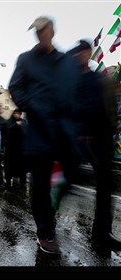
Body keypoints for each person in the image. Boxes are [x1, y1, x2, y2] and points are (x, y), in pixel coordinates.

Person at [8, 16, 82, 254]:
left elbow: (74, 91)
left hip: (64, 132)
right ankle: (46, 233)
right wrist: (32, 104)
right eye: (36, 31)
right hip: (38, 132)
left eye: (43, 30)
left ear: (52, 30)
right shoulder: (26, 59)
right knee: (40, 186)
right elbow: (15, 88)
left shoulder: (65, 61)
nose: (40, 34)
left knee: (68, 177)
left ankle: (50, 214)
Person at [66, 39, 121, 250]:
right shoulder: (69, 82)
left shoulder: (101, 80)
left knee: (106, 186)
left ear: (89, 53)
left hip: (101, 139)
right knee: (64, 182)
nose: (78, 56)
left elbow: (110, 110)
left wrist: (110, 132)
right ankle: (47, 225)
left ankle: (102, 233)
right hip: (75, 140)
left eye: (82, 52)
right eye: (75, 53)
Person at [3, 108, 28, 189]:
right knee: (9, 165)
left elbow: (26, 131)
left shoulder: (23, 122)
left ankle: (22, 182)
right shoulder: (9, 122)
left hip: (21, 148)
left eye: (18, 113)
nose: (16, 115)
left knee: (21, 166)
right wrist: (16, 125)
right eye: (15, 113)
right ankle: (8, 180)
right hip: (11, 148)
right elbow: (8, 131)